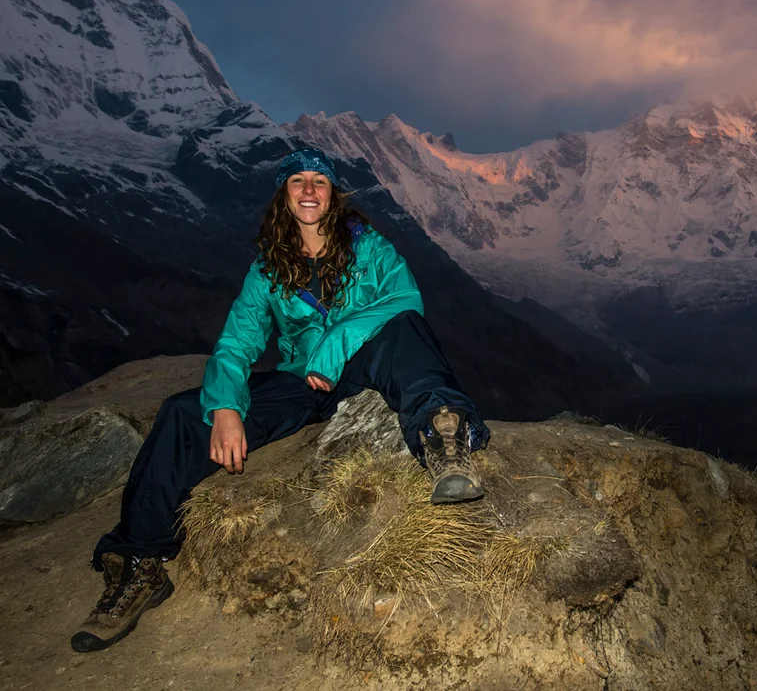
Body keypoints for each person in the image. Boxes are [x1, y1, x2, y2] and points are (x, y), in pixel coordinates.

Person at [71, 147, 489, 653]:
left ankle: (444, 438)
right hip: (302, 382)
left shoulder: (371, 248)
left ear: (333, 194)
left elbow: (405, 301)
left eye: (319, 181)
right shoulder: (269, 268)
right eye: (297, 181)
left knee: (404, 331)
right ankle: (139, 563)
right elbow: (237, 343)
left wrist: (336, 343)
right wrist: (225, 407)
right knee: (181, 414)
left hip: (369, 366)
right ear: (283, 195)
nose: (309, 190)